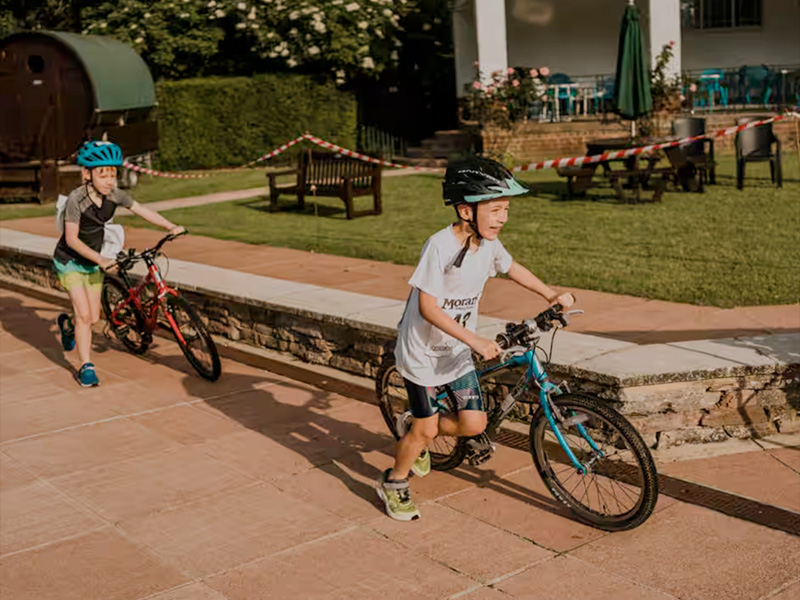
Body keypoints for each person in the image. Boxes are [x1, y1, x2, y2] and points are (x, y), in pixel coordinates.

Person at [376, 157, 575, 521]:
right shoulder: (439, 246)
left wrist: (550, 294)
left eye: (506, 210)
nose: (503, 218)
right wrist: (476, 340)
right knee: (425, 431)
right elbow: (428, 308)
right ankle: (394, 482)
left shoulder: (489, 246)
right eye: (495, 209)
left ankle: (416, 427)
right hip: (422, 355)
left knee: (474, 424)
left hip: (455, 353)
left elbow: (512, 268)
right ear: (466, 210)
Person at [54, 140, 184, 387]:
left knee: (92, 318)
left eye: (113, 174)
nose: (109, 180)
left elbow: (143, 210)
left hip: (93, 263)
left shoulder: (115, 195)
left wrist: (170, 226)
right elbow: (71, 240)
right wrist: (101, 259)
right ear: (86, 173)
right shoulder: (76, 200)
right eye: (103, 174)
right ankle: (86, 367)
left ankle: (67, 325)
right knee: (84, 315)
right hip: (70, 261)